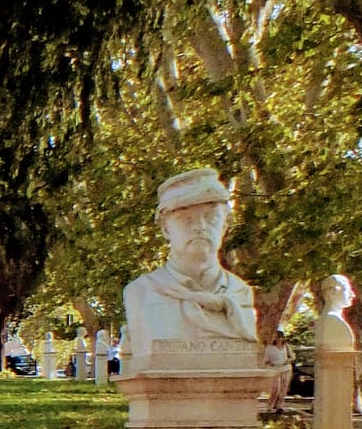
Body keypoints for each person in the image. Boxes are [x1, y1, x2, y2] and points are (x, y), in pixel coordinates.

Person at [122, 168, 259, 373]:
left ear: (224, 226)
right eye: (186, 219)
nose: (199, 227)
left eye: (211, 218)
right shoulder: (141, 293)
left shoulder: (240, 293)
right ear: (165, 229)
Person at [263, 330, 292, 414]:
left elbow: (292, 356)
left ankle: (280, 406)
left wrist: (288, 360)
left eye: (281, 338)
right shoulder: (270, 348)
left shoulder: (286, 346)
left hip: (286, 368)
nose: (279, 339)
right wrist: (270, 363)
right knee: (275, 388)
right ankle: (270, 405)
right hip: (275, 369)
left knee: (284, 388)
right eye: (277, 338)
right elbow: (265, 360)